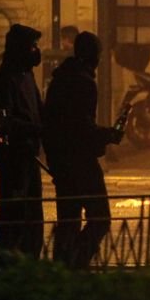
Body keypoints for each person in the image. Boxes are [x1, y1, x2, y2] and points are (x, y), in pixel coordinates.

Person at [43, 31, 124, 268]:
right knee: (100, 218)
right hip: (80, 161)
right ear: (94, 56)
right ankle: (75, 263)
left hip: (60, 160)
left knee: (68, 218)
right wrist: (107, 134)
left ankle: (62, 267)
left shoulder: (61, 78)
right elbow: (80, 127)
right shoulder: (84, 82)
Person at [0, 23, 44, 261]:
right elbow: (6, 120)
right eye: (32, 46)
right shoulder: (4, 79)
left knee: (32, 213)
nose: (36, 51)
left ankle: (30, 258)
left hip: (30, 153)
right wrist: (36, 129)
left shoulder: (27, 76)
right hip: (13, 155)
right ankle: (7, 261)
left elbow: (39, 110)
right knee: (13, 210)